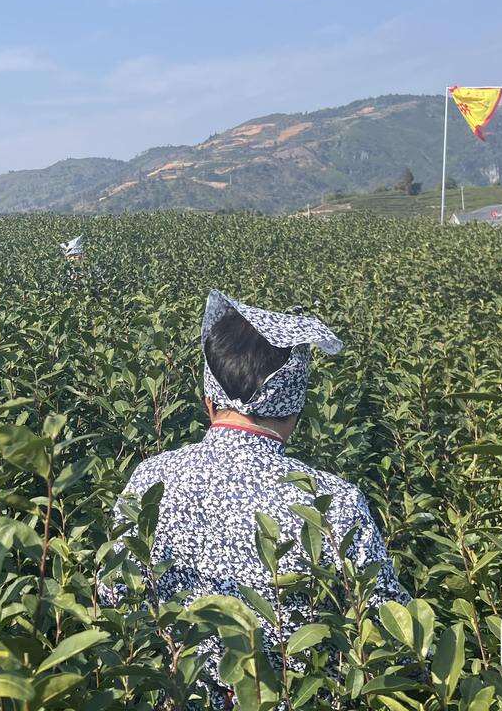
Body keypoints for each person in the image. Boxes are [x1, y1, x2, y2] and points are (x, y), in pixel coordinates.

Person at [99, 289, 411, 709]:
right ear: (293, 409)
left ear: (208, 400)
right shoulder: (333, 500)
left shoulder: (151, 478)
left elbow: (115, 595)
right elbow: (390, 630)